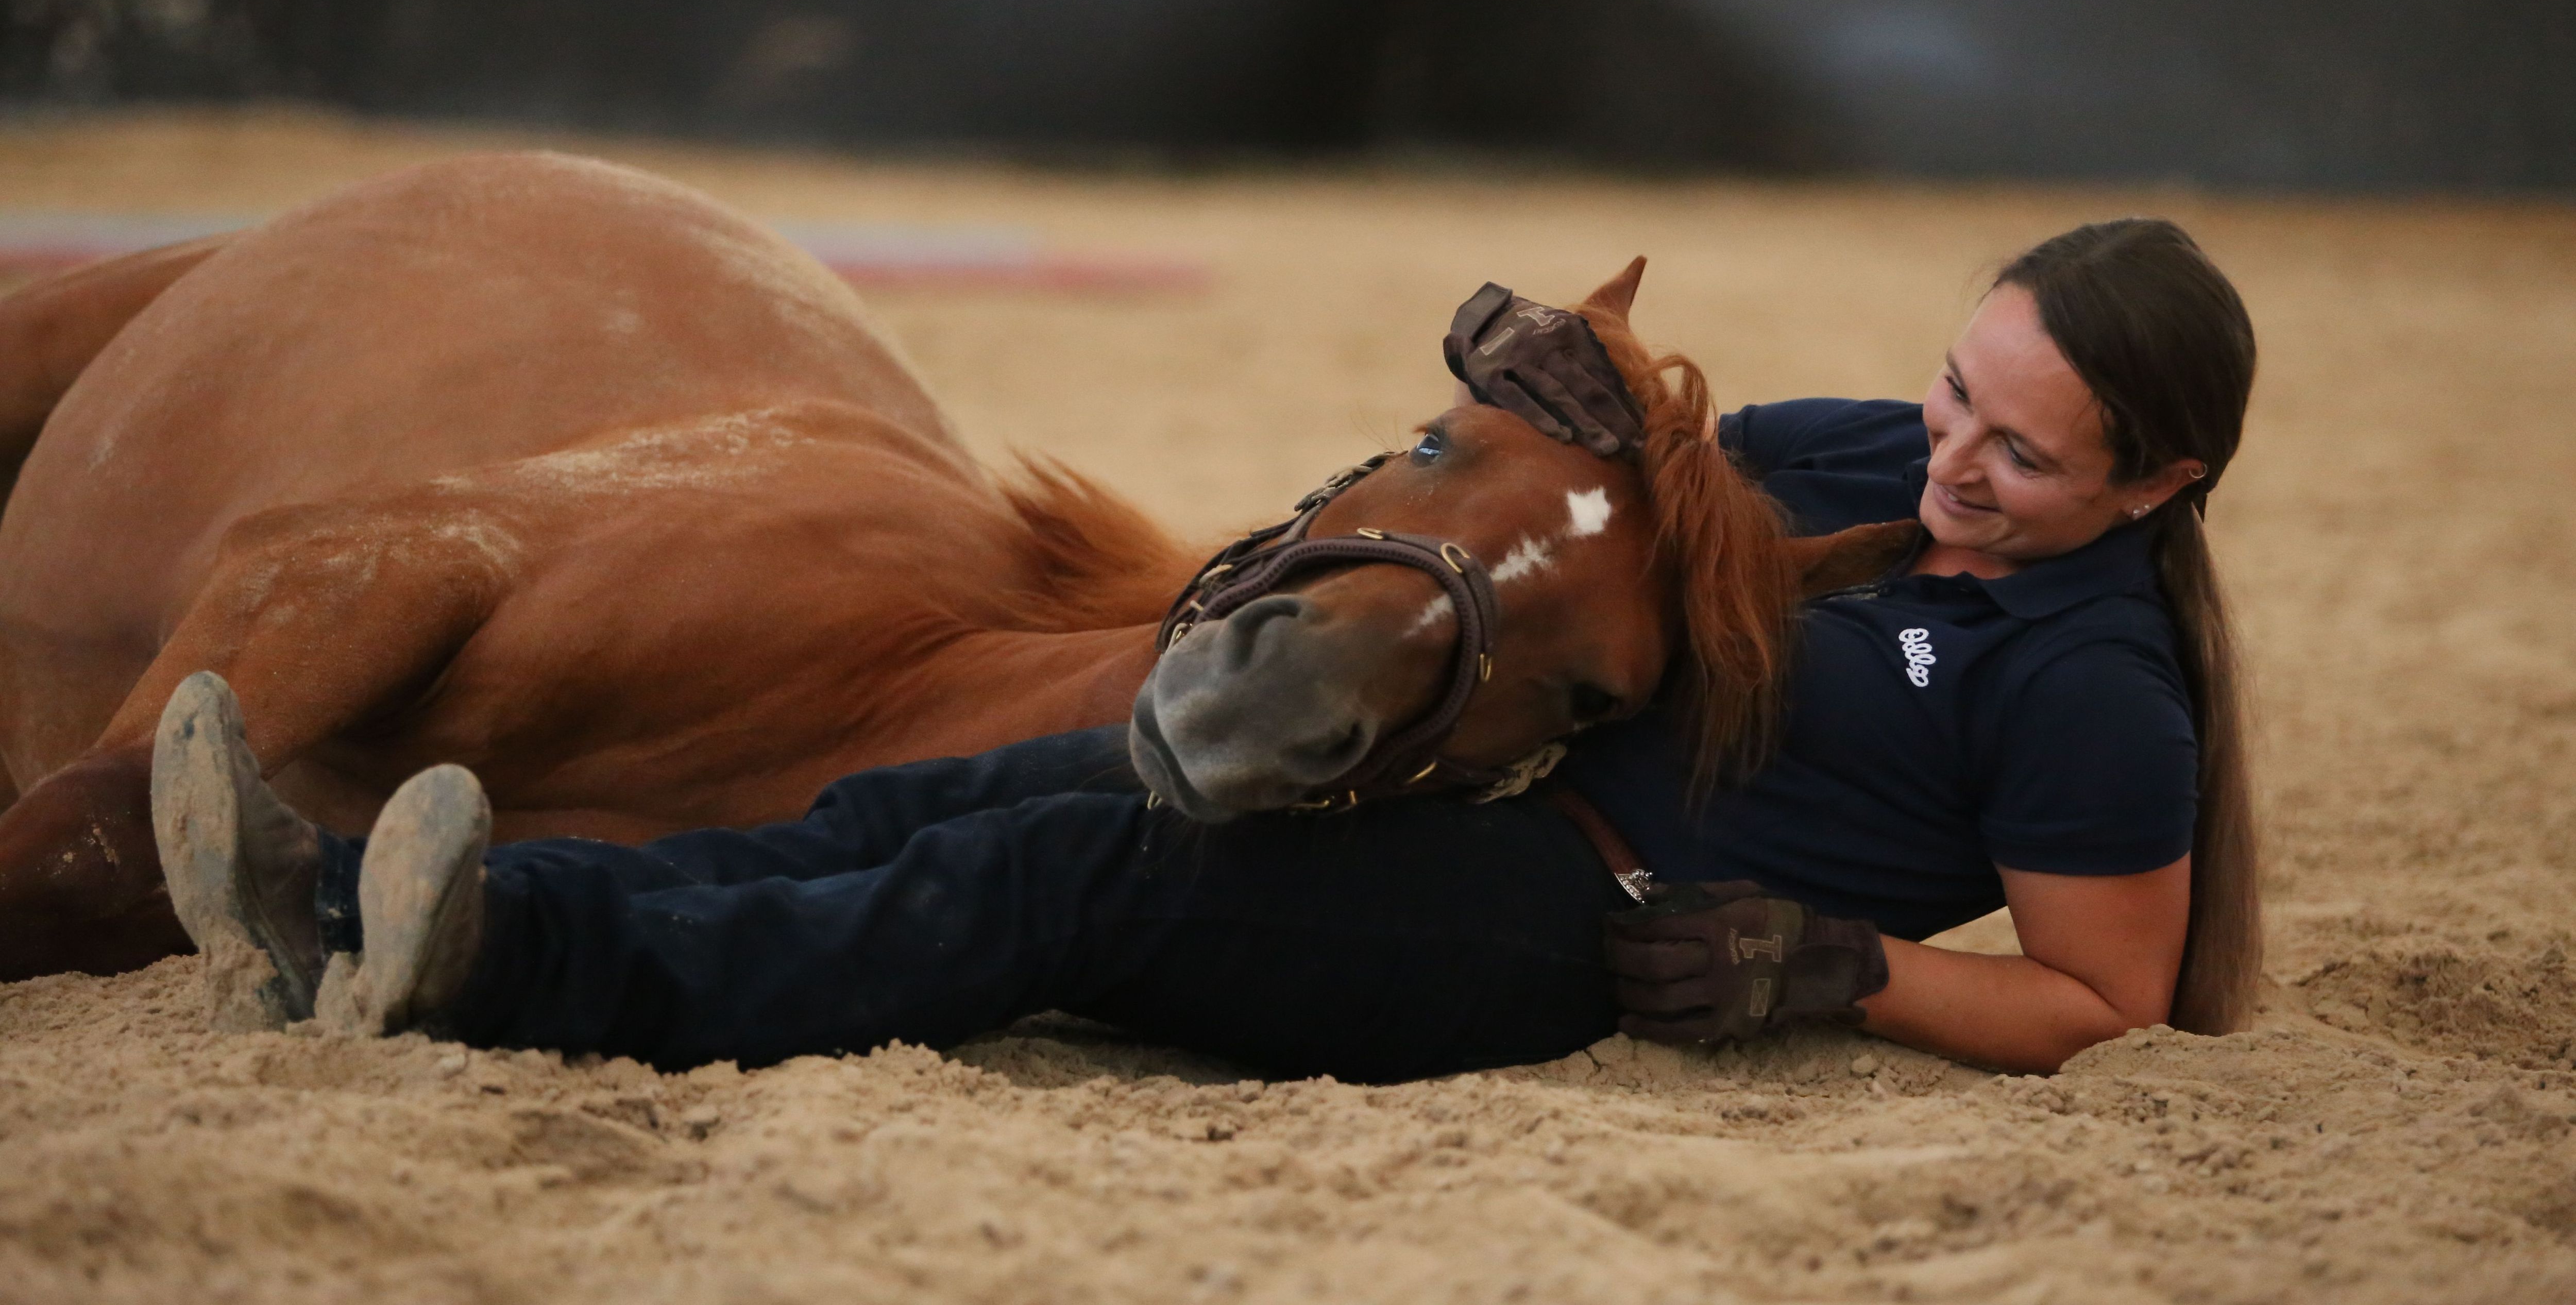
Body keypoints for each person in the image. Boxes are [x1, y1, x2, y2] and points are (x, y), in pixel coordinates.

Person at [155, 217, 2257, 1079]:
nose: (1950, 454)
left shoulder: (2087, 692)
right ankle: (355, 902)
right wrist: (1559, 381)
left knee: (1077, 873)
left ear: (2151, 483)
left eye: (2022, 450)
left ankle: (512, 970)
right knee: (965, 789)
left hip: (1569, 922)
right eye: (1956, 393)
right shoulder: (1861, 451)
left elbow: (2110, 994)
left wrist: (1846, 964)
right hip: (1487, 775)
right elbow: (1632, 506)